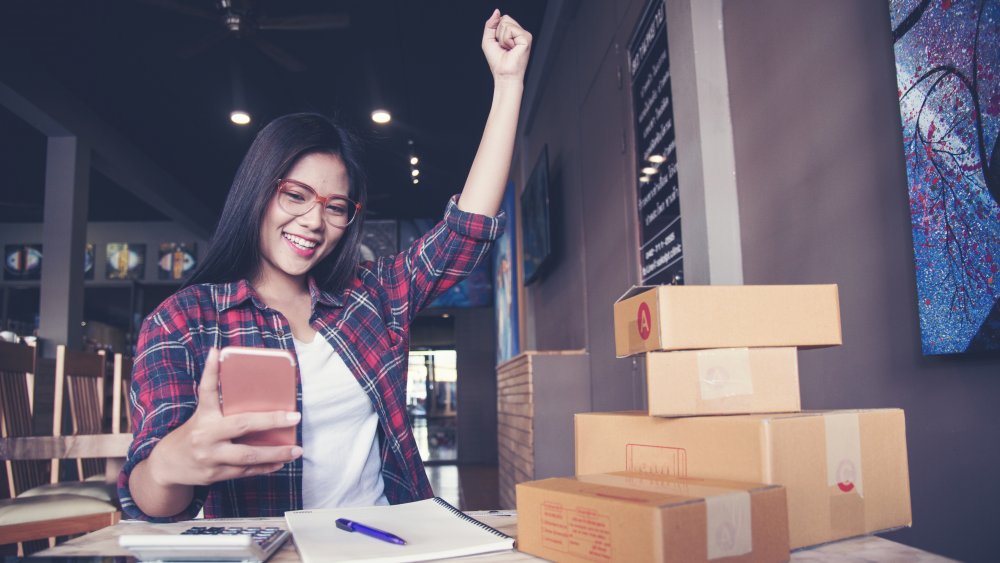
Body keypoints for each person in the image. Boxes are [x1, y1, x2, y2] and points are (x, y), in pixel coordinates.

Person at [118, 10, 532, 521]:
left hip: (387, 542)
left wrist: (509, 82)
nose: (314, 221)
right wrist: (168, 465)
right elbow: (152, 506)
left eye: (336, 206)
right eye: (295, 195)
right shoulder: (183, 320)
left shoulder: (371, 297)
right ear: (258, 192)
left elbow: (465, 232)